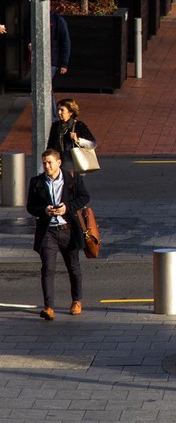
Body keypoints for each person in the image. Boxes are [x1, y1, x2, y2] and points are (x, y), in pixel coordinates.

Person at [27, 147, 90, 321]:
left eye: (49, 163)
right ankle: (49, 307)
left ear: (58, 163)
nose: (46, 166)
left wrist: (67, 207)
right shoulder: (36, 182)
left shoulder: (72, 177)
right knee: (48, 269)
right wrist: (45, 210)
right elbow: (30, 207)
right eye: (44, 163)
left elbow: (84, 197)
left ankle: (77, 301)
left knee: (73, 267)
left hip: (68, 229)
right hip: (48, 231)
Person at [47, 99, 97, 171]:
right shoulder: (55, 126)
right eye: (58, 109)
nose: (59, 112)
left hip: (73, 164)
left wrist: (78, 140)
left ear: (70, 112)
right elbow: (50, 146)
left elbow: (93, 144)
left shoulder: (79, 125)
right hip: (57, 164)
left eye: (62, 110)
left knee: (71, 181)